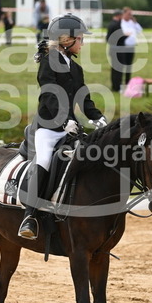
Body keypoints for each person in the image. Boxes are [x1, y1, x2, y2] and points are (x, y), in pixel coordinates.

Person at [18, 13, 106, 240]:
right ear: (67, 39)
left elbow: (83, 98)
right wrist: (64, 120)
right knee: (45, 160)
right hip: (48, 128)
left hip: (70, 129)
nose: (83, 43)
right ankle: (30, 216)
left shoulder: (75, 69)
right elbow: (49, 94)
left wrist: (98, 118)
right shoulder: (49, 62)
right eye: (81, 39)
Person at [120, 6, 143, 88]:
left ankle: (127, 82)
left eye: (131, 14)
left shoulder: (132, 22)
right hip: (123, 46)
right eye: (128, 14)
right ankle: (120, 82)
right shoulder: (121, 22)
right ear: (124, 14)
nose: (130, 16)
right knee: (122, 65)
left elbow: (140, 30)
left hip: (131, 47)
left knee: (129, 65)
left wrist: (135, 22)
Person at [106, 9, 127, 92]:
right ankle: (117, 87)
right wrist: (126, 35)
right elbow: (120, 37)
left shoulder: (111, 24)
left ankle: (115, 86)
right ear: (119, 15)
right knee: (119, 69)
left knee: (114, 69)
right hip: (118, 49)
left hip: (112, 49)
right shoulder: (117, 25)